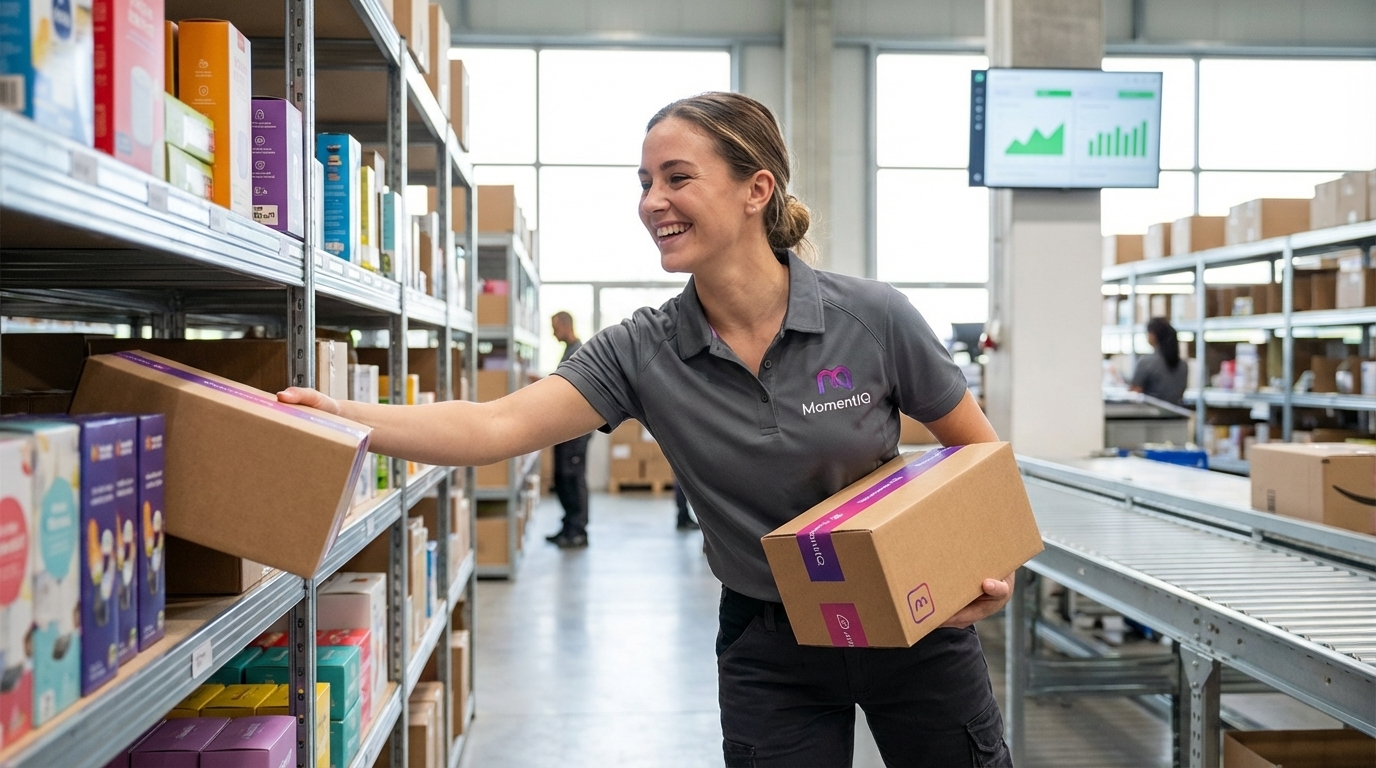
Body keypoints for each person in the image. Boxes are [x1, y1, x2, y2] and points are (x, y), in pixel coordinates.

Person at [280, 92, 1013, 767]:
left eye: (676, 178)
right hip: (770, 639)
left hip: (914, 621)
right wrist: (349, 417)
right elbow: (494, 423)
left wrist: (982, 566)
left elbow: (974, 450)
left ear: (757, 190)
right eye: (643, 182)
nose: (651, 202)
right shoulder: (641, 350)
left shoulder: (871, 317)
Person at [545, 311, 592, 548]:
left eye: (555, 327)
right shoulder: (568, 350)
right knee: (562, 478)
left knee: (573, 478)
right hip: (565, 429)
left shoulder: (579, 351)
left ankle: (578, 530)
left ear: (566, 326)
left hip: (576, 431)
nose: (553, 333)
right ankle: (567, 526)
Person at [1131, 317, 1188, 405]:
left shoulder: (1146, 362)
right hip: (1175, 415)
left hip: (1150, 415)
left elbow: (1134, 393)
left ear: (1153, 335)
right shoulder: (1183, 365)